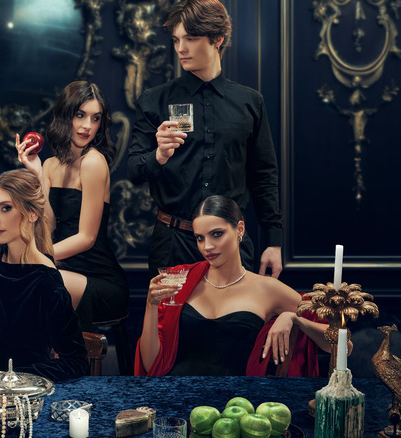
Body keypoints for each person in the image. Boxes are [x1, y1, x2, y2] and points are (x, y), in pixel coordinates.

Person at [127, 0, 283, 278]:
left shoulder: (250, 102)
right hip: (173, 243)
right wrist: (159, 155)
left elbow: (264, 176)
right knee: (172, 310)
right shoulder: (154, 100)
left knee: (237, 309)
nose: (180, 48)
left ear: (217, 39)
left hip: (232, 245)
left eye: (190, 38)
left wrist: (274, 242)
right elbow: (134, 171)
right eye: (176, 40)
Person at [134, 195, 332, 376]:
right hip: (176, 395)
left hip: (235, 401)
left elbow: (339, 344)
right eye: (200, 238)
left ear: (240, 229)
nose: (207, 246)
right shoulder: (180, 280)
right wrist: (151, 305)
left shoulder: (268, 289)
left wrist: (294, 319)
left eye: (217, 234)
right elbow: (151, 365)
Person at [0, 169, 88, 382]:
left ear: (33, 213)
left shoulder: (46, 280)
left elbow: (76, 362)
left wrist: (11, 377)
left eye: (5, 208)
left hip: (26, 393)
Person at [17, 81, 129, 330]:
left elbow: (86, 238)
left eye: (95, 118)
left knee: (33, 281)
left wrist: (38, 257)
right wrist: (37, 173)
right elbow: (49, 226)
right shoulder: (49, 165)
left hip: (98, 279)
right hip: (62, 270)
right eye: (80, 115)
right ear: (65, 115)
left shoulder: (93, 162)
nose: (88, 126)